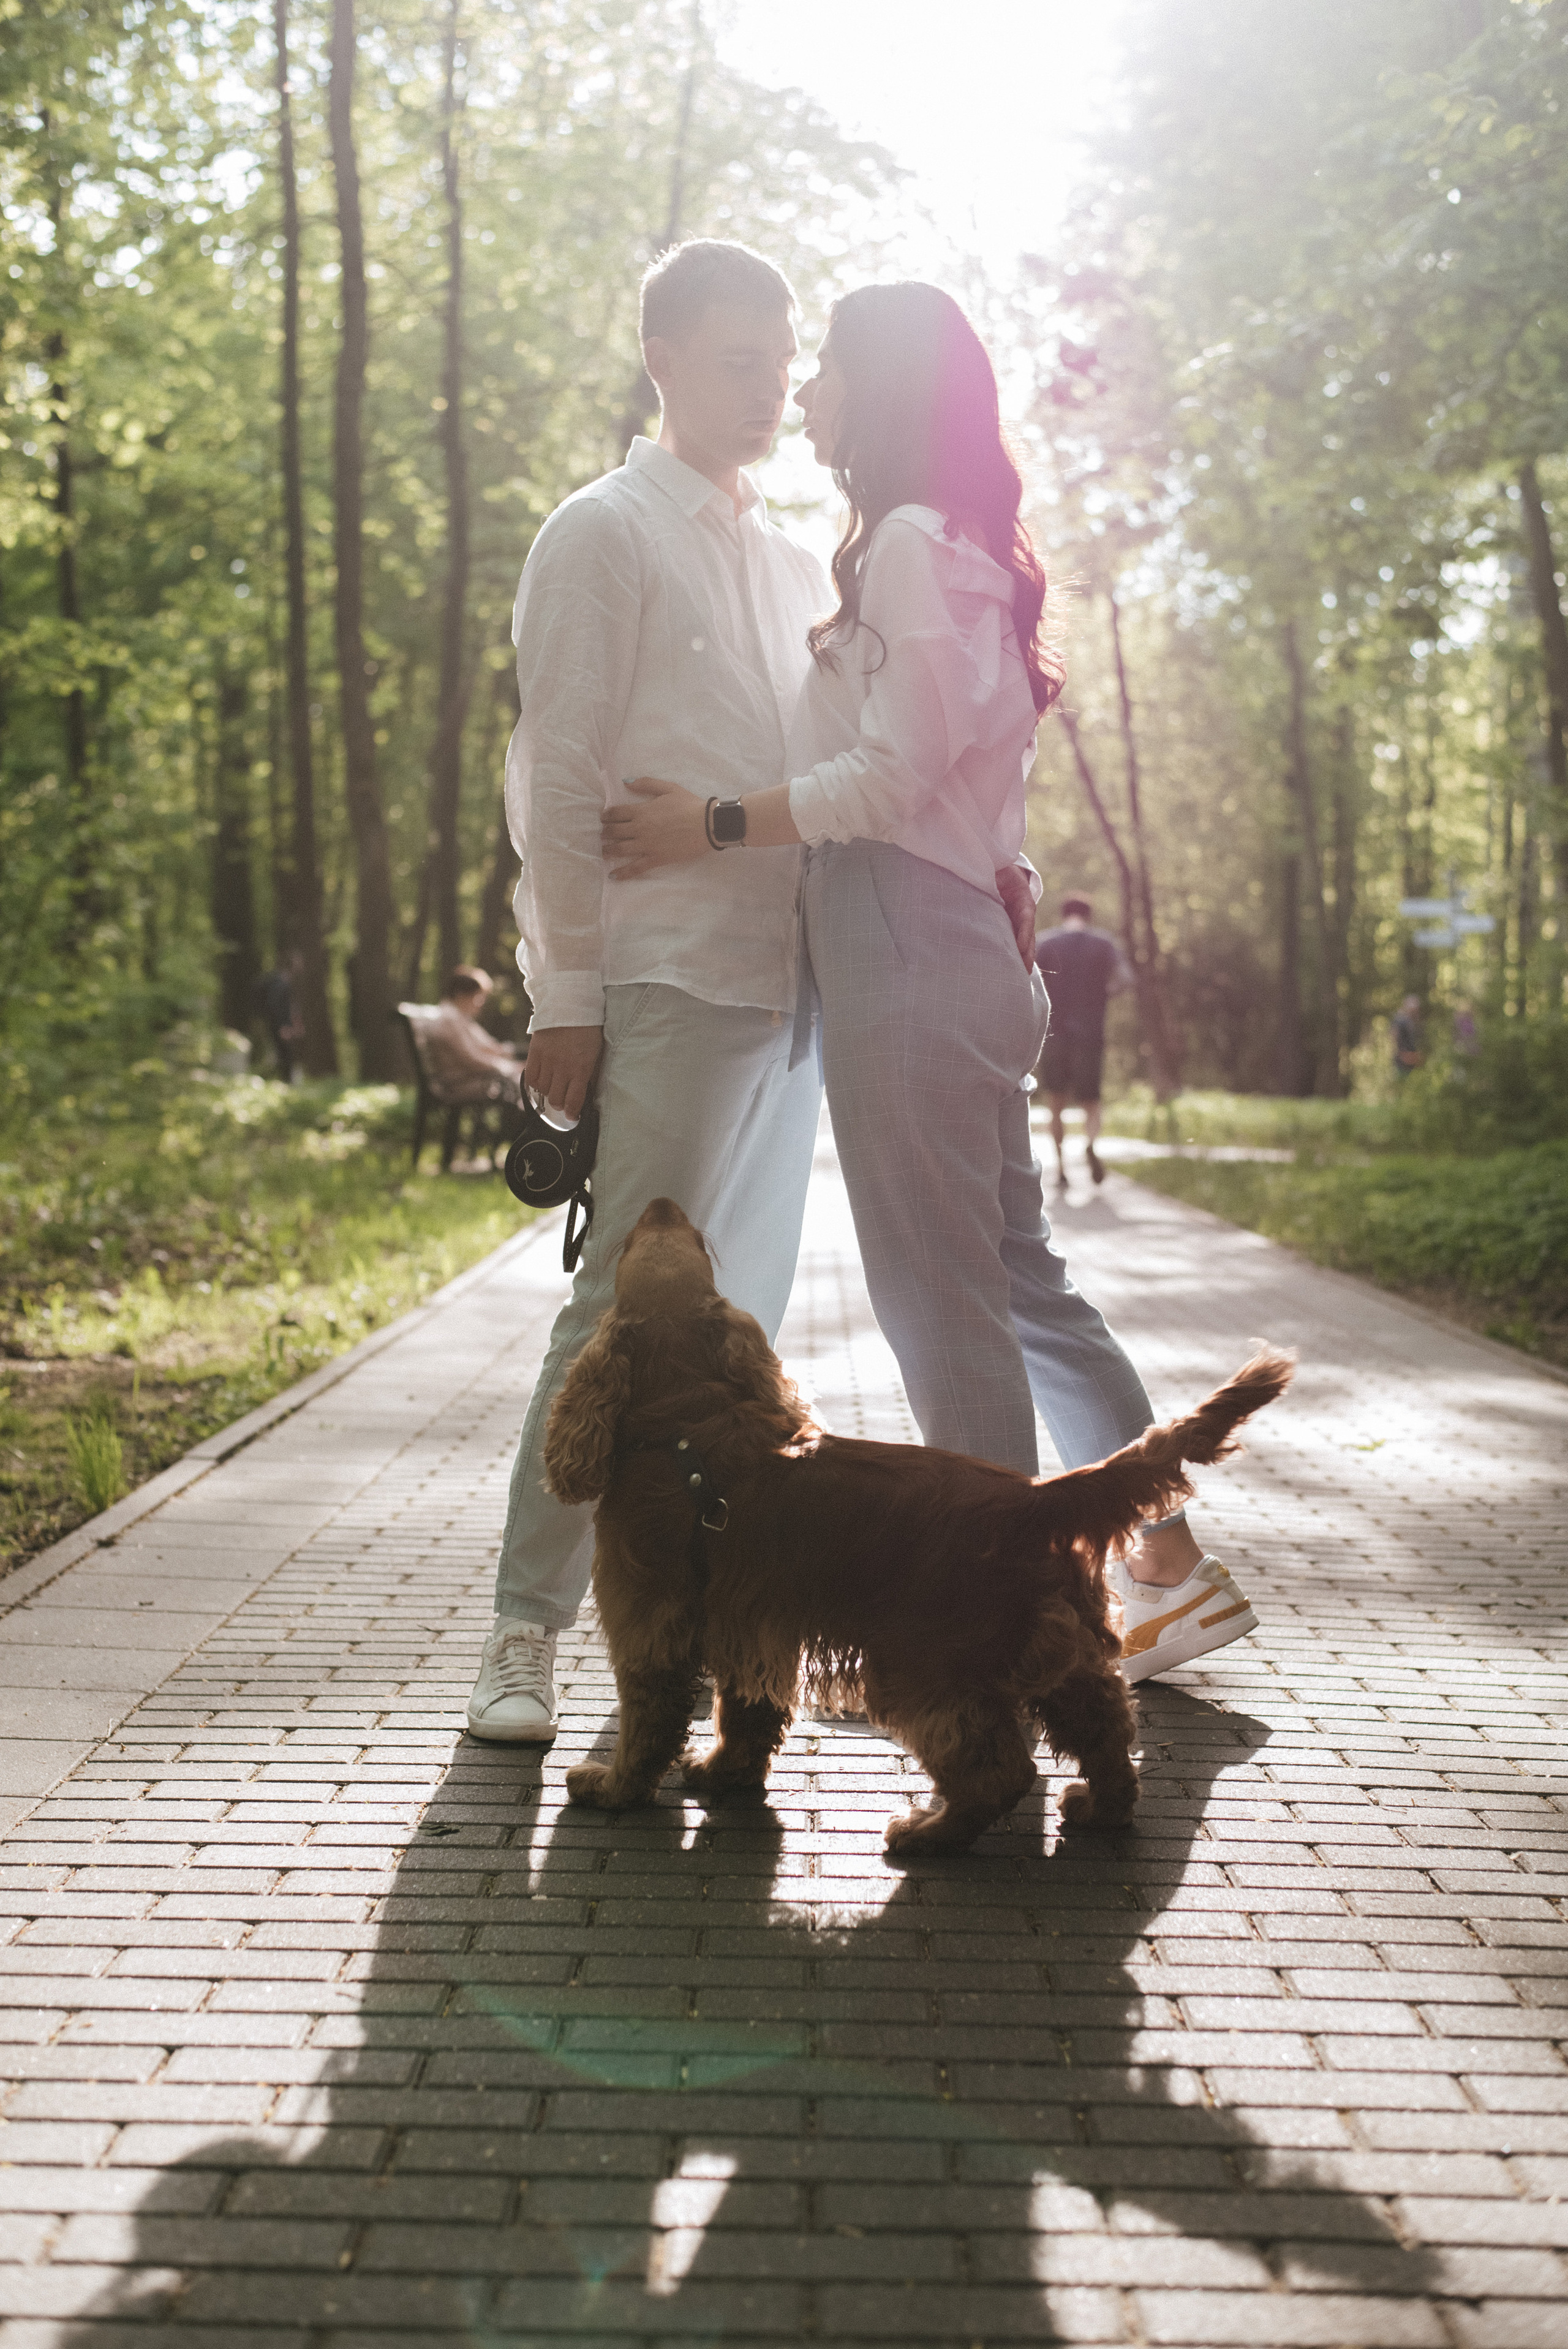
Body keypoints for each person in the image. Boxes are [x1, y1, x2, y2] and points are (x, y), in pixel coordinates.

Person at [605, 280, 1257, 1687]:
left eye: (829, 365)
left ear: (886, 391)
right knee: (1015, 1276)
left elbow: (887, 780)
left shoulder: (906, 543)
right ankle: (1159, 1566)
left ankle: (995, 1634)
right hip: (957, 935)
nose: (807, 389)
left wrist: (706, 820)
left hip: (905, 936)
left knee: (940, 1297)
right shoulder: (957, 545)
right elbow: (957, 779)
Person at [464, 240, 829, 1744]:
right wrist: (568, 988)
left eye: (783, 358)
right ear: (661, 354)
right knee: (619, 1305)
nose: (769, 386)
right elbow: (556, 775)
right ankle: (518, 1635)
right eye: (739, 356)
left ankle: (684, 1638)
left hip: (788, 992)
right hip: (662, 977)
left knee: (733, 1334)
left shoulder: (803, 558)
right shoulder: (601, 531)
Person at [1034, 896, 1134, 1189]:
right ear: (1088, 916)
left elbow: (1028, 980)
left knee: (1056, 1100)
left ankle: (1062, 1168)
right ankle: (1090, 1144)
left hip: (1056, 1033)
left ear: (1064, 914)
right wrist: (1103, 994)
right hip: (1091, 1032)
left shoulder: (1046, 943)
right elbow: (1126, 979)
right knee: (1091, 1100)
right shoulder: (1104, 944)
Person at [420, 967, 524, 1103]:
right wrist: (509, 1067)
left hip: (468, 1079)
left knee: (522, 1080)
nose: (481, 1003)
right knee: (522, 1084)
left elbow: (486, 1047)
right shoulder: (450, 1020)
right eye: (477, 997)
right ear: (460, 994)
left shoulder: (458, 1018)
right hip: (461, 1083)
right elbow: (472, 1059)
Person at [253, 950, 304, 1083]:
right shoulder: (281, 983)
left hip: (277, 1024)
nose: (301, 965)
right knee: (284, 1055)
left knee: (282, 1054)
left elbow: (286, 1006)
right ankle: (283, 1083)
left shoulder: (282, 981)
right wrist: (284, 1026)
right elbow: (275, 1005)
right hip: (278, 1025)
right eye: (298, 962)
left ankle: (283, 1082)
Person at [1392, 993, 1423, 1078]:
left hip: (1412, 1062)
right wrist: (1404, 1055)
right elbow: (1394, 1038)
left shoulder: (1414, 1023)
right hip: (1402, 1062)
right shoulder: (1400, 1020)